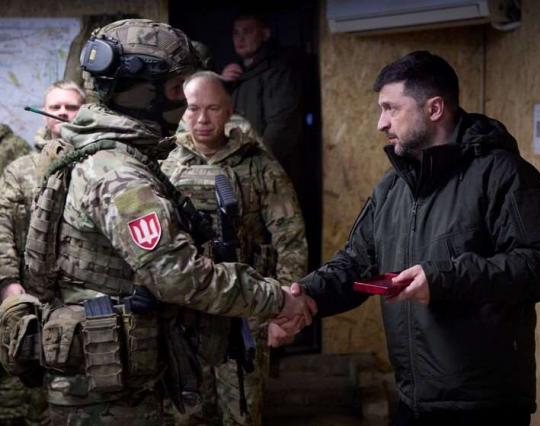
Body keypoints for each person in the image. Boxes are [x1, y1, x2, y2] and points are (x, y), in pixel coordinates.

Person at [0, 19, 313, 425]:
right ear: (138, 94)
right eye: (175, 89)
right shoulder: (118, 174)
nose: (185, 106)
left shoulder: (98, 152)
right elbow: (178, 274)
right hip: (109, 396)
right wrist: (277, 300)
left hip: (111, 381)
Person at [270, 51, 540, 426]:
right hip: (413, 399)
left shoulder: (504, 175)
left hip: (484, 404)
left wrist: (441, 279)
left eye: (391, 109)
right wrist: (306, 296)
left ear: (434, 108)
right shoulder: (392, 188)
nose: (381, 123)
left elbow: (539, 266)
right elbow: (356, 264)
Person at [162, 71, 307, 426]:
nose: (202, 119)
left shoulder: (258, 164)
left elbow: (290, 238)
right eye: (193, 108)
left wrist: (282, 310)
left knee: (241, 413)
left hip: (246, 311)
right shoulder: (165, 162)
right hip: (182, 315)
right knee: (185, 415)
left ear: (229, 111)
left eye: (213, 109)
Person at [0, 80, 85, 426]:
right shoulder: (21, 169)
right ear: (45, 113)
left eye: (71, 107)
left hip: (84, 298)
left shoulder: (99, 163)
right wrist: (8, 283)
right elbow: (2, 225)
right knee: (31, 391)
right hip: (32, 296)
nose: (63, 113)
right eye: (56, 107)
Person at [220, 13, 303, 189]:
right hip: (240, 171)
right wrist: (221, 84)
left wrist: (257, 166)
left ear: (265, 34)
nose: (240, 38)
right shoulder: (236, 73)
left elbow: (281, 126)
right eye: (236, 33)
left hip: (268, 174)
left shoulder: (278, 71)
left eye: (247, 31)